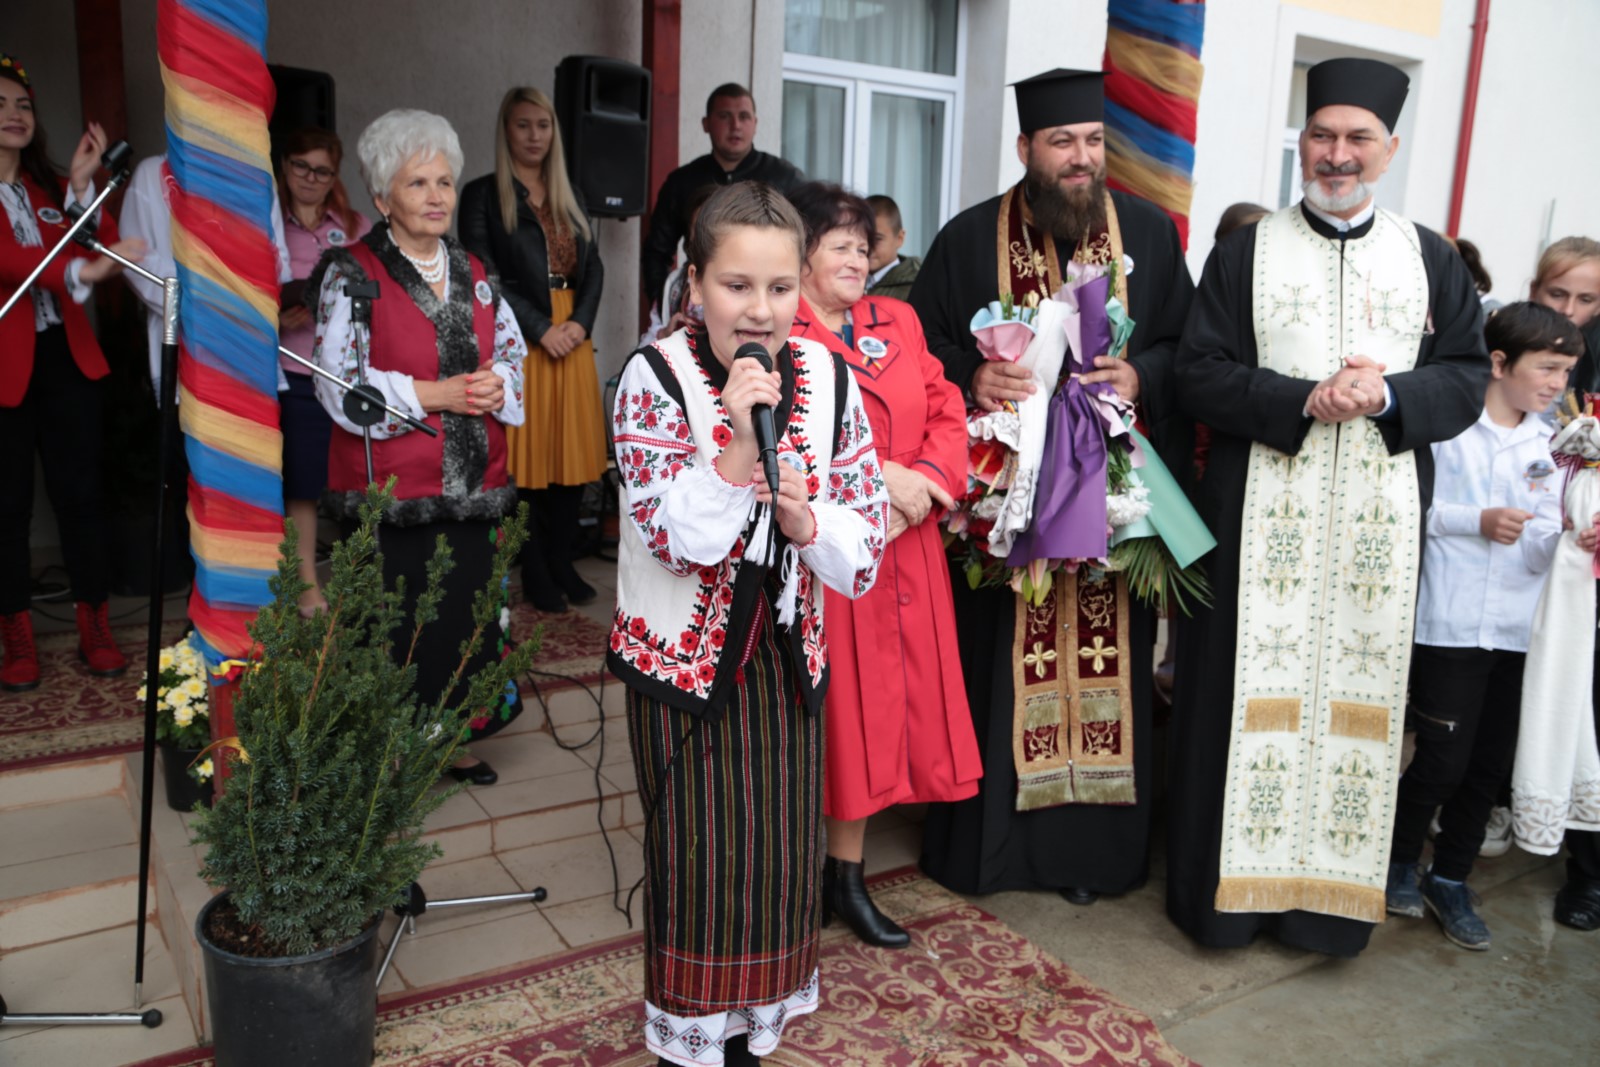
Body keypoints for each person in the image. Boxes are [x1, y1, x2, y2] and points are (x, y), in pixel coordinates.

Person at [1166, 57, 1489, 958]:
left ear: (1389, 149)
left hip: (1374, 535)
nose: (1337, 154)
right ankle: (1223, 906)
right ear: (1301, 143)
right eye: (1322, 136)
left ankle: (1325, 911)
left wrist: (1388, 397)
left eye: (1357, 139)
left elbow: (1466, 377)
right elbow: (1196, 372)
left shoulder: (1430, 258)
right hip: (1257, 519)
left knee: (1361, 703)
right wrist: (1303, 397)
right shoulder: (1246, 251)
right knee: (1236, 702)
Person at [609, 182, 886, 1067]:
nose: (760, 310)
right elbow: (672, 538)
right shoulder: (653, 377)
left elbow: (864, 546)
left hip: (786, 663)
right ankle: (690, 1049)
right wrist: (734, 449)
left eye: (778, 287)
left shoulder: (831, 378)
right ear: (695, 284)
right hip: (684, 673)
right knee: (700, 868)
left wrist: (808, 522)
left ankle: (748, 1044)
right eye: (736, 285)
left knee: (775, 865)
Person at [908, 69, 1194, 903]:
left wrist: (1141, 374)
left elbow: (1188, 347)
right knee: (997, 667)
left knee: (1110, 663)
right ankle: (991, 852)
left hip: (1114, 507)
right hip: (1008, 508)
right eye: (1062, 142)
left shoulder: (1149, 234)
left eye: (1093, 141)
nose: (1081, 158)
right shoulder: (969, 238)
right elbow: (919, 349)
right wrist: (972, 375)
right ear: (1026, 147)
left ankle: (1089, 859)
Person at [787, 182, 981, 947]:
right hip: (831, 555)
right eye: (839, 245)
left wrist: (924, 483)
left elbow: (946, 406)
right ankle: (803, 872)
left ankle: (846, 875)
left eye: (863, 247)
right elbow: (787, 447)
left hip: (908, 544)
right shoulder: (781, 331)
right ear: (801, 253)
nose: (857, 260)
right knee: (837, 714)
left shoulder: (895, 319)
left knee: (890, 713)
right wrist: (881, 484)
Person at [309, 109, 527, 786]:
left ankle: (453, 737)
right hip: (392, 487)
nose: (436, 196)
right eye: (416, 183)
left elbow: (511, 352)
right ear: (382, 198)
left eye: (444, 182)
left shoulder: (476, 270)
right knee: (400, 621)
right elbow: (338, 384)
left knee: (463, 613)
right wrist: (441, 395)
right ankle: (393, 747)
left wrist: (498, 384)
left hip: (474, 479)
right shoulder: (352, 273)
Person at [1385, 302, 1578, 950]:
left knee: (1488, 766)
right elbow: (1414, 508)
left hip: (1518, 630)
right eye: (1546, 368)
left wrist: (1570, 540)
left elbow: (1541, 536)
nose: (1557, 383)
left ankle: (1451, 877)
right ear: (1499, 362)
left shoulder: (1551, 443)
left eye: (1566, 371)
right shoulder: (1449, 429)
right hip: (1452, 622)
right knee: (1441, 759)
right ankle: (1396, 862)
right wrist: (1480, 520)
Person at [0, 52, 144, 691]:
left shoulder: (48, 189)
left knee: (82, 499)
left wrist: (83, 187)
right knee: (7, 509)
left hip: (66, 357)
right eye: (0, 105)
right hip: (5, 366)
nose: (14, 114)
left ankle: (95, 626)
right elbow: (12, 260)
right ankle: (17, 637)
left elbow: (100, 239)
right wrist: (81, 270)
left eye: (22, 104)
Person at [460, 87, 606, 614]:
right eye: (523, 125)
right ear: (506, 130)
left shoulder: (572, 193)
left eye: (543, 125)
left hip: (573, 336)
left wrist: (580, 323)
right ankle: (537, 568)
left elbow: (594, 268)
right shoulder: (482, 195)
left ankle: (562, 560)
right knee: (530, 462)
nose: (534, 135)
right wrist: (542, 328)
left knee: (572, 459)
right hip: (521, 336)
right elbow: (483, 274)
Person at [276, 128, 371, 616]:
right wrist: (278, 313)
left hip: (348, 370)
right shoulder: (270, 223)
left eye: (322, 171)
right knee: (303, 483)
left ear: (335, 176)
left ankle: (361, 579)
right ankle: (307, 586)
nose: (310, 179)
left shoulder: (355, 225)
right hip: (294, 368)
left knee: (358, 478)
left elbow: (375, 287)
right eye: (301, 166)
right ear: (284, 165)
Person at [639, 83, 803, 310]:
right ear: (706, 124)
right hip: (697, 303)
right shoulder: (682, 181)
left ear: (755, 124)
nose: (736, 126)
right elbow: (656, 252)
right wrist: (664, 306)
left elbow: (808, 247)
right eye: (724, 116)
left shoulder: (785, 178)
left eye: (744, 117)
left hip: (765, 302)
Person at [640, 182, 715, 345]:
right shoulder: (675, 284)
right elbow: (648, 341)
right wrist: (666, 334)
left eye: (713, 226)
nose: (705, 236)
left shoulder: (742, 283)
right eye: (698, 227)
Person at [1531, 237, 1600, 393]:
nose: (1568, 310)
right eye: (1557, 295)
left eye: (1585, 300)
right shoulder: (1498, 341)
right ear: (1534, 291)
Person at [863, 194, 920, 300]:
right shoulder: (850, 279)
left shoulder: (916, 287)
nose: (868, 247)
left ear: (899, 238)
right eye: (862, 238)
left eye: (877, 239)